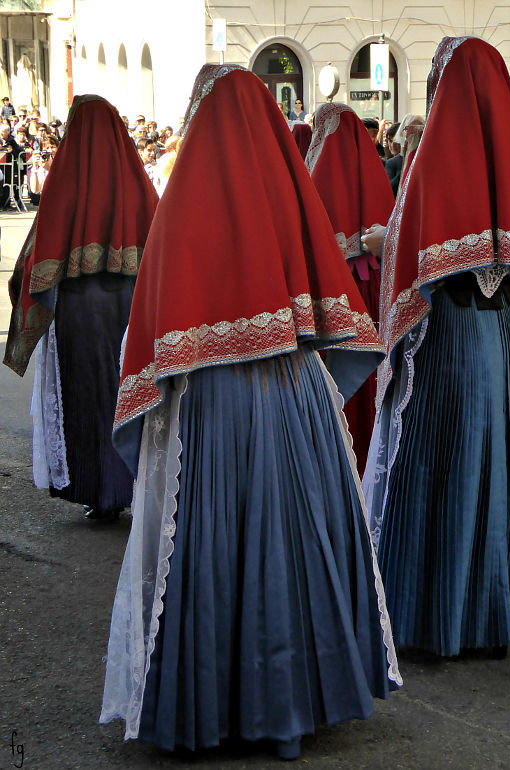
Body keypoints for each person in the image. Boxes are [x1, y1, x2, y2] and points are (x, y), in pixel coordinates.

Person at [100, 64, 399, 760]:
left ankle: (211, 710)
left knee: (214, 544)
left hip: (212, 402)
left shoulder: (182, 202)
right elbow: (334, 306)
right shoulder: (289, 189)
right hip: (293, 391)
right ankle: (291, 711)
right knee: (293, 542)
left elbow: (151, 330)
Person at [363, 37, 510, 659]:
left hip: (451, 332)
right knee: (491, 459)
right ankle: (484, 615)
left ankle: (430, 615)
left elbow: (408, 269)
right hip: (505, 329)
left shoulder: (434, 156)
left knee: (439, 457)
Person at [4, 95, 158, 521]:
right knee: (129, 390)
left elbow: (41, 249)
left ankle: (100, 492)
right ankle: (136, 486)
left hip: (78, 307)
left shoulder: (68, 174)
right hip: (131, 304)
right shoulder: (136, 176)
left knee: (88, 396)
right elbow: (160, 236)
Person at [305, 102, 395, 474]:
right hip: (373, 293)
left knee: (336, 383)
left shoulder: (314, 180)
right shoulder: (377, 179)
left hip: (332, 298)